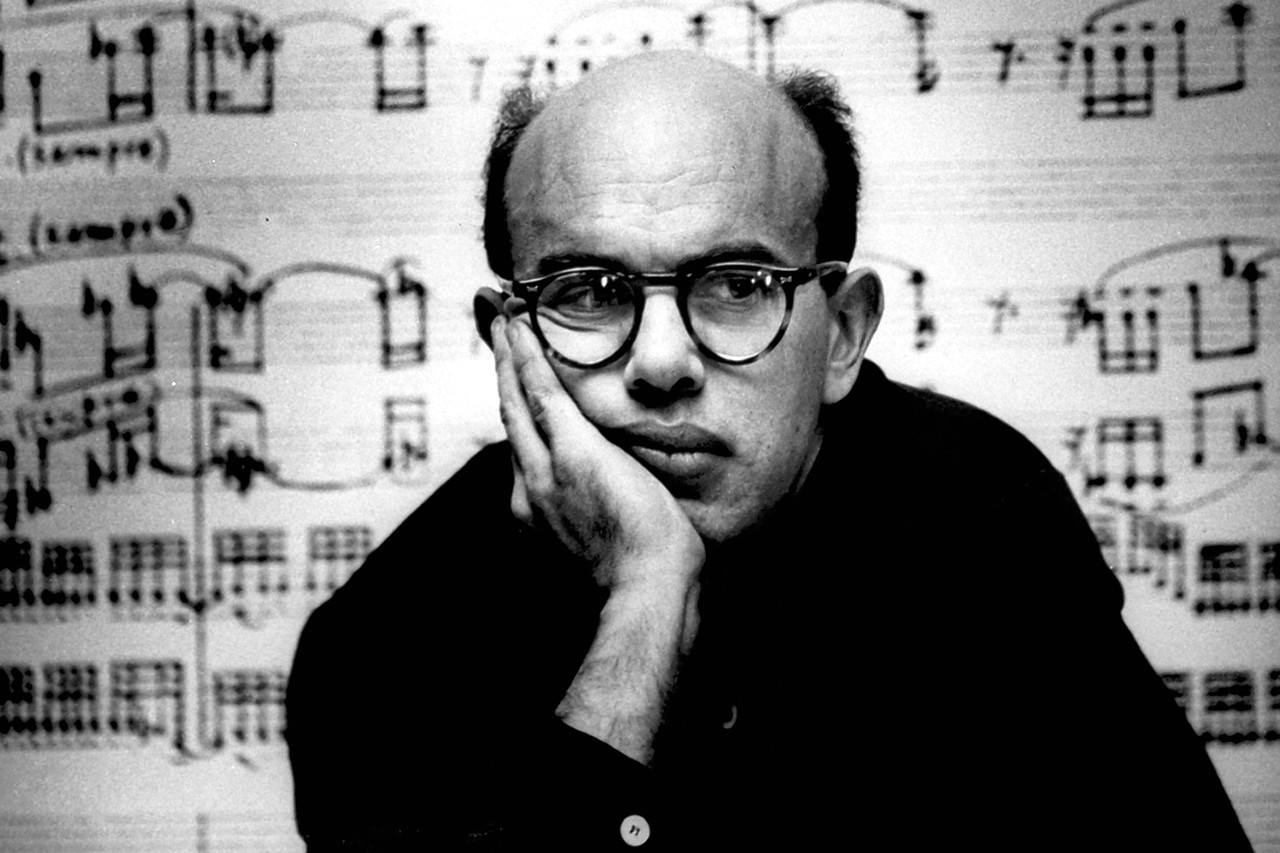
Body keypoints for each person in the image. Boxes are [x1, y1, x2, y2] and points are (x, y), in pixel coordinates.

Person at [285, 52, 1253, 850]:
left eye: (738, 283)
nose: (661, 363)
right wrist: (646, 597)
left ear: (841, 335)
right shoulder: (379, 648)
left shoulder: (974, 509)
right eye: (587, 291)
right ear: (508, 337)